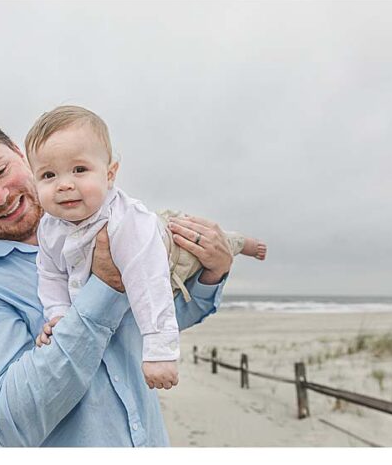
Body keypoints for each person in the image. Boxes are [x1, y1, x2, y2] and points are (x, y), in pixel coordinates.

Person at [0, 123, 236, 446]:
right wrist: (104, 287)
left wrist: (213, 273)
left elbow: (149, 321)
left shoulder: (103, 220)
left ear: (20, 154)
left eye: (0, 171)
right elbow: (13, 421)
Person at [25, 106, 267, 390]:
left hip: (173, 251)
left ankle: (244, 242)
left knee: (218, 241)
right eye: (48, 175)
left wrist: (159, 353)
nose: (64, 184)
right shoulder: (50, 227)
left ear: (110, 174)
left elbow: (149, 285)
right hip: (151, 236)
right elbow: (51, 275)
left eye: (79, 170)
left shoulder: (124, 223)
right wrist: (59, 314)